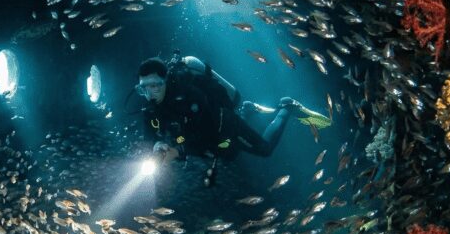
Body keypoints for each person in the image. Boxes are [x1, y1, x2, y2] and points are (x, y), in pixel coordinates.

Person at [137, 54, 325, 186]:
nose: (148, 93)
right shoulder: (151, 106)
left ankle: (286, 107)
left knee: (265, 149)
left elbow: (207, 132)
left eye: (154, 86)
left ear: (166, 80)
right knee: (229, 155)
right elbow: (150, 132)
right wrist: (157, 144)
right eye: (143, 87)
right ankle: (248, 110)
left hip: (225, 126)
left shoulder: (190, 96)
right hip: (212, 145)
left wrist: (178, 152)